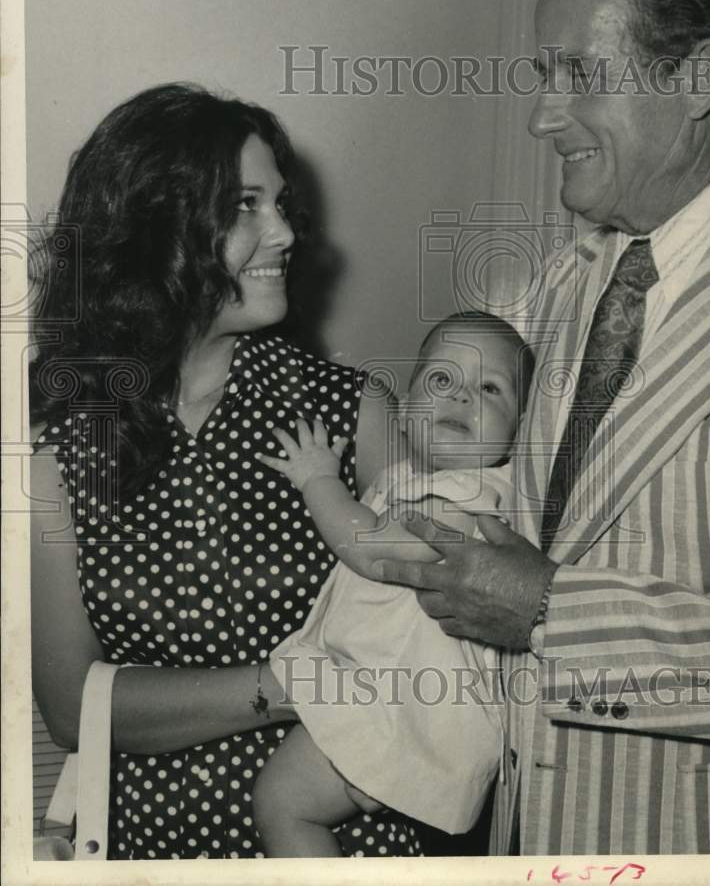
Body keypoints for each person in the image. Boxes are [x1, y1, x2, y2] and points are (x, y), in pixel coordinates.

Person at [375, 0, 710, 855]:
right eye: (542, 75)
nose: (541, 116)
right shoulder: (568, 279)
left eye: (579, 75)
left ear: (698, 79)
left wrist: (555, 614)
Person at [28, 82, 427, 859]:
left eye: (280, 203)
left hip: (344, 845)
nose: (285, 232)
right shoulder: (63, 450)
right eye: (245, 205)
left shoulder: (355, 412)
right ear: (154, 229)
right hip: (151, 853)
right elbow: (73, 709)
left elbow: (424, 645)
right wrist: (293, 685)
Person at [248, 311, 534, 856]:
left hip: (413, 713)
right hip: (387, 696)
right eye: (442, 378)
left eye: (490, 388)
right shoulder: (402, 481)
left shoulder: (475, 496)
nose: (462, 395)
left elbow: (374, 551)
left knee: (281, 802)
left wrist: (319, 481)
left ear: (518, 431)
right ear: (402, 414)